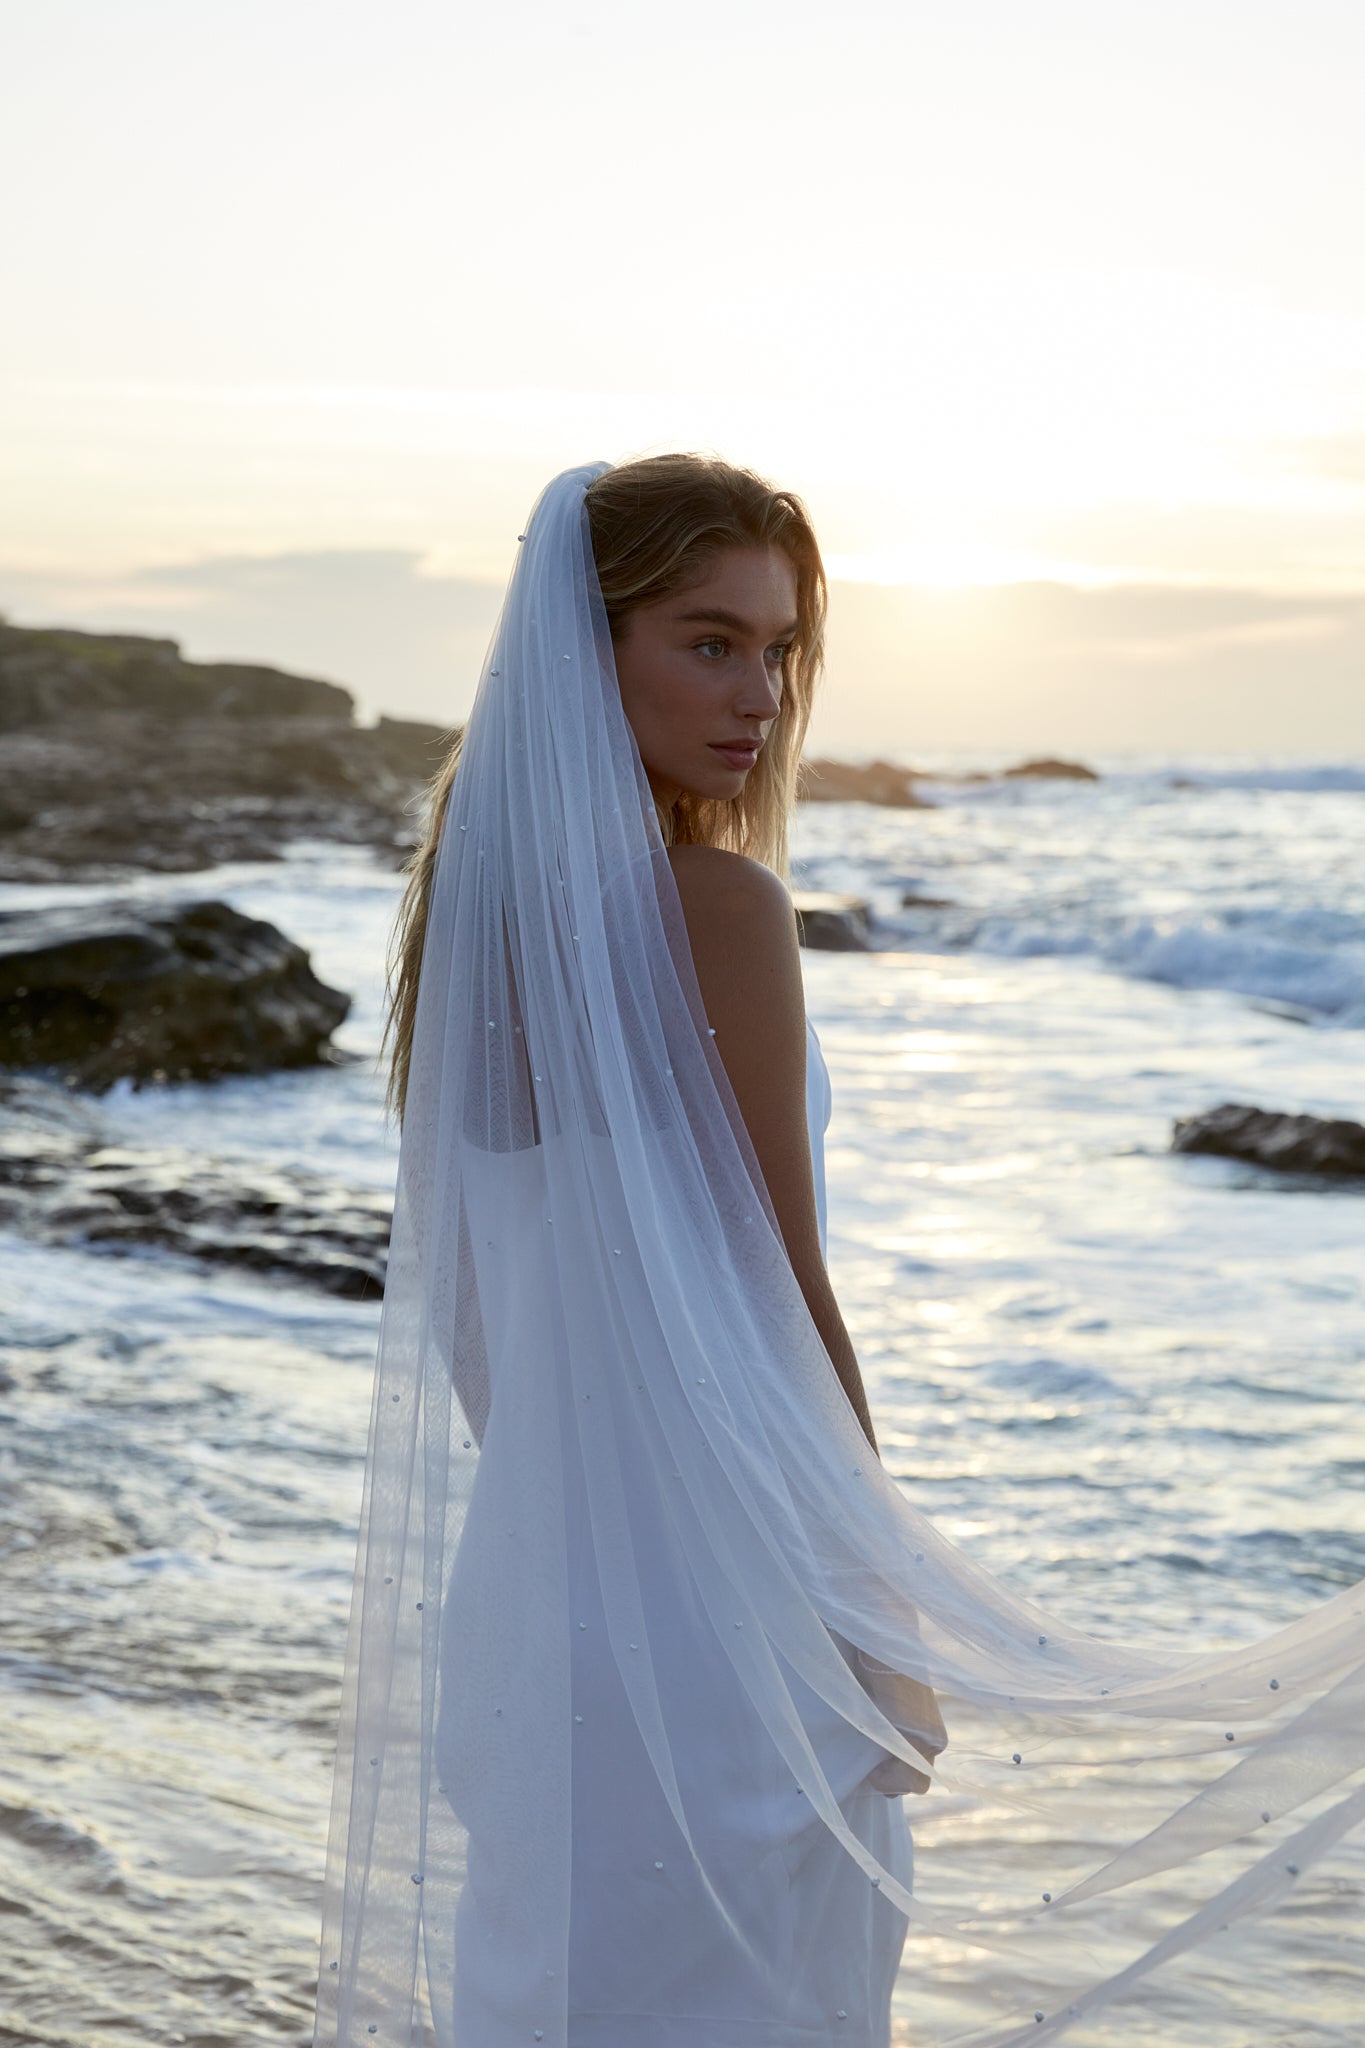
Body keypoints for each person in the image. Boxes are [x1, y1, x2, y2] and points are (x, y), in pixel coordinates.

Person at [310, 455, 1365, 2048]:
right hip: (722, 1618)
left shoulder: (470, 925)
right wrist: (872, 1613)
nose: (758, 694)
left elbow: (476, 1319)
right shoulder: (717, 907)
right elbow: (781, 1295)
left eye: (780, 649)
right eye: (706, 639)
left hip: (534, 1614)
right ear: (584, 653)